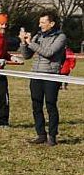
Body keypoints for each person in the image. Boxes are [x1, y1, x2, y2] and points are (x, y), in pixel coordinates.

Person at [18, 13, 67, 146]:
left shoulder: (60, 37)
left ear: (51, 24)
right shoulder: (38, 35)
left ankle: (52, 136)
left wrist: (30, 43)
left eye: (43, 22)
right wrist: (23, 42)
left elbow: (49, 53)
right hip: (36, 75)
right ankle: (41, 134)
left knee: (51, 105)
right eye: (40, 22)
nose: (40, 25)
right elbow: (27, 55)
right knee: (36, 105)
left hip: (51, 74)